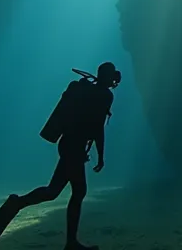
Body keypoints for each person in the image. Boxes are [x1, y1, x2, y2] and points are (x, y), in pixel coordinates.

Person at [8, 62, 119, 250]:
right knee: (63, 191)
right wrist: (101, 156)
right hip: (74, 147)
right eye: (112, 75)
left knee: (64, 191)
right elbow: (98, 129)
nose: (115, 78)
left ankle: (69, 240)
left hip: (69, 144)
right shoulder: (105, 95)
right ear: (107, 76)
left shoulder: (88, 91)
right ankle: (19, 204)